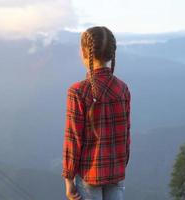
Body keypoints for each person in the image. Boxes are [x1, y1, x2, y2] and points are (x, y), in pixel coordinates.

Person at [62, 26, 131, 200]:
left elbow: (73, 139)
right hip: (116, 171)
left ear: (85, 52)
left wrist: (69, 180)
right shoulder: (122, 89)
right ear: (111, 54)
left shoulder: (78, 91)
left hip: (89, 174)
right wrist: (121, 164)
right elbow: (125, 134)